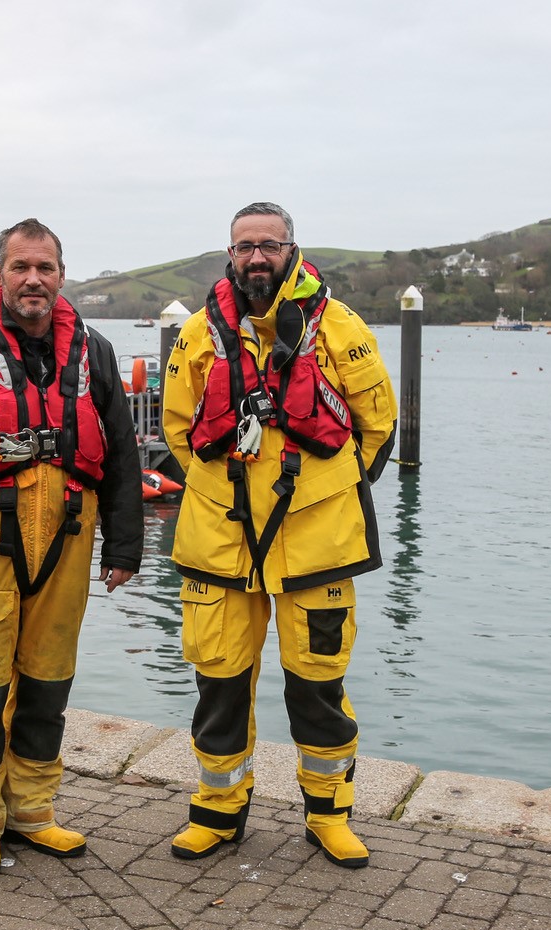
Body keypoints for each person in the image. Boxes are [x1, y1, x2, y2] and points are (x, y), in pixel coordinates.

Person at [0, 218, 144, 877]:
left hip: (67, 537)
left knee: (46, 680)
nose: (32, 279)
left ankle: (33, 812)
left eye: (44, 267)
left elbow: (121, 451)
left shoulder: (91, 350)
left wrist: (124, 545)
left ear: (62, 276)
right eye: (20, 267)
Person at [162, 202, 397, 869]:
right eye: (244, 246)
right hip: (220, 540)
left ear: (291, 248)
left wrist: (330, 498)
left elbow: (376, 426)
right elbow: (179, 431)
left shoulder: (339, 326)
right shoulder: (199, 334)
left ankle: (328, 816)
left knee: (317, 685)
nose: (256, 257)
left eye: (269, 244)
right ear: (228, 254)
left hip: (316, 541)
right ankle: (217, 812)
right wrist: (218, 494)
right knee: (219, 682)